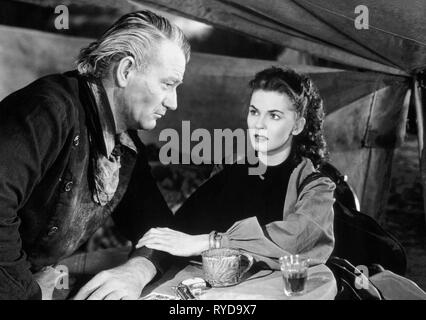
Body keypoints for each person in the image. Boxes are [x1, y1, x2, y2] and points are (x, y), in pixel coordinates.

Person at [0, 10, 189, 300]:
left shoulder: (124, 146)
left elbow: (159, 228)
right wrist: (28, 294)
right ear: (125, 71)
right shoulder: (49, 109)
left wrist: (137, 269)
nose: (173, 102)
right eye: (168, 84)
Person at [137, 67, 335, 270]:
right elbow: (180, 230)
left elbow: (298, 239)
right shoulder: (232, 171)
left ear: (297, 126)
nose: (259, 124)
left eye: (274, 116)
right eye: (254, 112)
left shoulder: (316, 186)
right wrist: (141, 268)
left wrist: (213, 242)